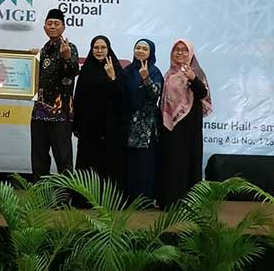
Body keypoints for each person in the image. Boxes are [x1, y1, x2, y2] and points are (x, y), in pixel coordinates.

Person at [159, 39, 212, 207]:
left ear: (190, 53)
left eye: (184, 50)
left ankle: (187, 202)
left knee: (187, 160)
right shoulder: (169, 73)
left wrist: (193, 78)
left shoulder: (195, 71)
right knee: (171, 161)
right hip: (170, 126)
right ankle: (169, 200)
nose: (180, 53)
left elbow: (202, 93)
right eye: (177, 49)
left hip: (189, 125)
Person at [30, 9, 79, 181]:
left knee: (63, 157)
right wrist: (30, 60)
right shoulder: (42, 51)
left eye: (56, 23)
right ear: (44, 27)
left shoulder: (70, 48)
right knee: (39, 157)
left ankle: (66, 194)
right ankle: (40, 192)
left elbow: (73, 72)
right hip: (39, 112)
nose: (52, 26)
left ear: (63, 27)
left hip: (61, 113)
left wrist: (67, 57)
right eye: (49, 23)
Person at [73, 35, 125, 187]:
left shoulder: (116, 69)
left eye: (103, 47)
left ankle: (108, 197)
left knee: (108, 164)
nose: (99, 50)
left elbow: (122, 98)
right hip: (89, 129)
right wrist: (77, 126)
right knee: (87, 165)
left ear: (109, 49)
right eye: (96, 47)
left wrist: (113, 77)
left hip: (110, 128)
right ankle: (85, 197)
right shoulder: (86, 70)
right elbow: (78, 99)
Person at [123, 39, 163, 204]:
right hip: (128, 123)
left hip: (146, 125)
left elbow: (155, 95)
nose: (140, 51)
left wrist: (146, 78)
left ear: (150, 53)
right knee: (129, 161)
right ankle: (129, 198)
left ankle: (144, 200)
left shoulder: (154, 71)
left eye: (144, 49)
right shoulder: (127, 71)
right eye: (137, 48)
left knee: (145, 162)